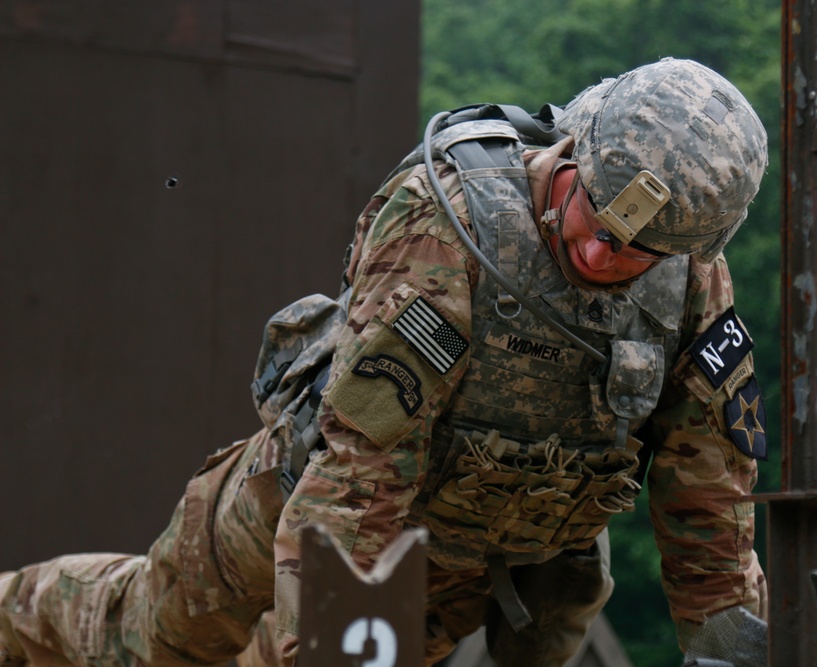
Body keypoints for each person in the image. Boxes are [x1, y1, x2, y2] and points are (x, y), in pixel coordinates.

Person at [0, 57, 769, 667]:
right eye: (594, 212)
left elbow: (711, 498)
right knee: (150, 641)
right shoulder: (451, 227)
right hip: (310, 499)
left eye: (637, 249)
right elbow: (361, 471)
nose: (601, 250)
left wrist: (726, 652)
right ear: (575, 144)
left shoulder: (691, 278)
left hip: (454, 563)